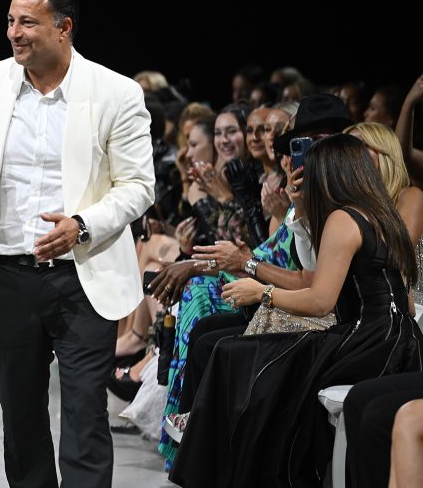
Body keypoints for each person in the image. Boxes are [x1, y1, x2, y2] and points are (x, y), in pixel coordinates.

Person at [0, 0, 155, 487]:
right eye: (10, 21)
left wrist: (81, 224)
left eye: (28, 22)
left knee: (84, 419)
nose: (14, 32)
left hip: (83, 276)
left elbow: (139, 186)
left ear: (64, 27)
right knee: (21, 420)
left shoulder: (115, 93)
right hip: (9, 275)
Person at [169, 134, 423, 487]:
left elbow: (321, 300)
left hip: (369, 342)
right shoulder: (385, 216)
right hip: (404, 339)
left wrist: (263, 293)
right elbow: (406, 302)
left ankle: (228, 468)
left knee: (243, 357)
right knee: (243, 353)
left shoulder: (343, 220)